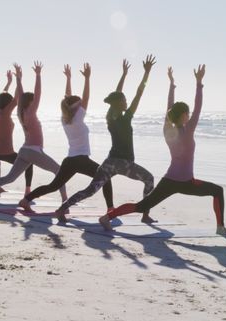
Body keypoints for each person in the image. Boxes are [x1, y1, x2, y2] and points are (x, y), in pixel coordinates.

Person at [98, 65, 226, 235]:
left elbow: (170, 108)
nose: (190, 115)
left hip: (170, 180)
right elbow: (198, 107)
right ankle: (220, 227)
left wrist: (172, 85)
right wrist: (198, 83)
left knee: (142, 206)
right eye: (187, 113)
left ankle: (106, 217)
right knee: (217, 191)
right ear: (183, 115)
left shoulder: (167, 130)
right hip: (186, 182)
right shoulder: (188, 130)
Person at [54, 56, 157, 223]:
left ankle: (62, 209)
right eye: (124, 100)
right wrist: (146, 73)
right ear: (118, 103)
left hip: (109, 163)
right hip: (124, 163)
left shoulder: (110, 117)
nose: (127, 102)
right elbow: (139, 93)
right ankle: (145, 215)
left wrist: (123, 75)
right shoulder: (125, 118)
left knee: (90, 190)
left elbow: (116, 95)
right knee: (149, 179)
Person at [17, 63, 113, 212]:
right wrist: (87, 79)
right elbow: (86, 97)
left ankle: (26, 199)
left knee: (53, 186)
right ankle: (110, 209)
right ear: (76, 107)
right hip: (81, 159)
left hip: (70, 160)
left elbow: (68, 98)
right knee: (105, 177)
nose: (83, 105)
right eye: (80, 103)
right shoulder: (77, 118)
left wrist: (68, 78)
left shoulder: (65, 118)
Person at [0, 62, 65, 202]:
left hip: (24, 151)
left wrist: (18, 79)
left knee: (9, 178)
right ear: (31, 102)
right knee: (59, 171)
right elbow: (37, 92)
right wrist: (38, 75)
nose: (36, 100)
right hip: (34, 151)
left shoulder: (20, 113)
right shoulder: (31, 112)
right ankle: (65, 200)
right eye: (33, 100)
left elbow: (22, 95)